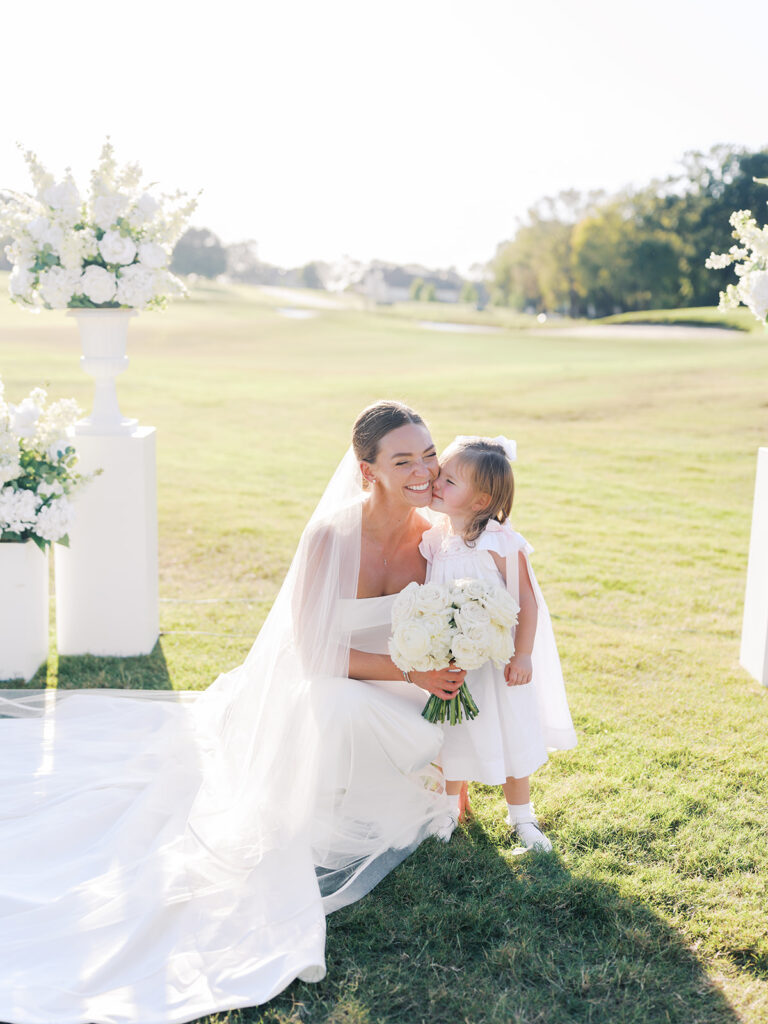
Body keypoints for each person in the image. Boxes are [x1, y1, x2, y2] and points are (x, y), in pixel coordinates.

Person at [0, 400, 462, 1024]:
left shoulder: (442, 540)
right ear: (366, 471)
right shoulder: (330, 536)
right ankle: (338, 801)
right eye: (403, 459)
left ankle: (409, 778)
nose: (423, 470)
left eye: (429, 454)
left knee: (351, 707)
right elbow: (310, 651)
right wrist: (412, 672)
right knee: (329, 700)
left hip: (411, 698)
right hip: (343, 690)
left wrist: (442, 675)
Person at [420, 435, 577, 848]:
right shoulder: (436, 541)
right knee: (451, 731)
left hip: (498, 662)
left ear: (480, 500)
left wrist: (523, 653)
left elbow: (528, 600)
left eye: (449, 480)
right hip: (454, 663)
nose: (436, 482)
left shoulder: (499, 542)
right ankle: (449, 807)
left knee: (510, 733)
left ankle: (521, 817)